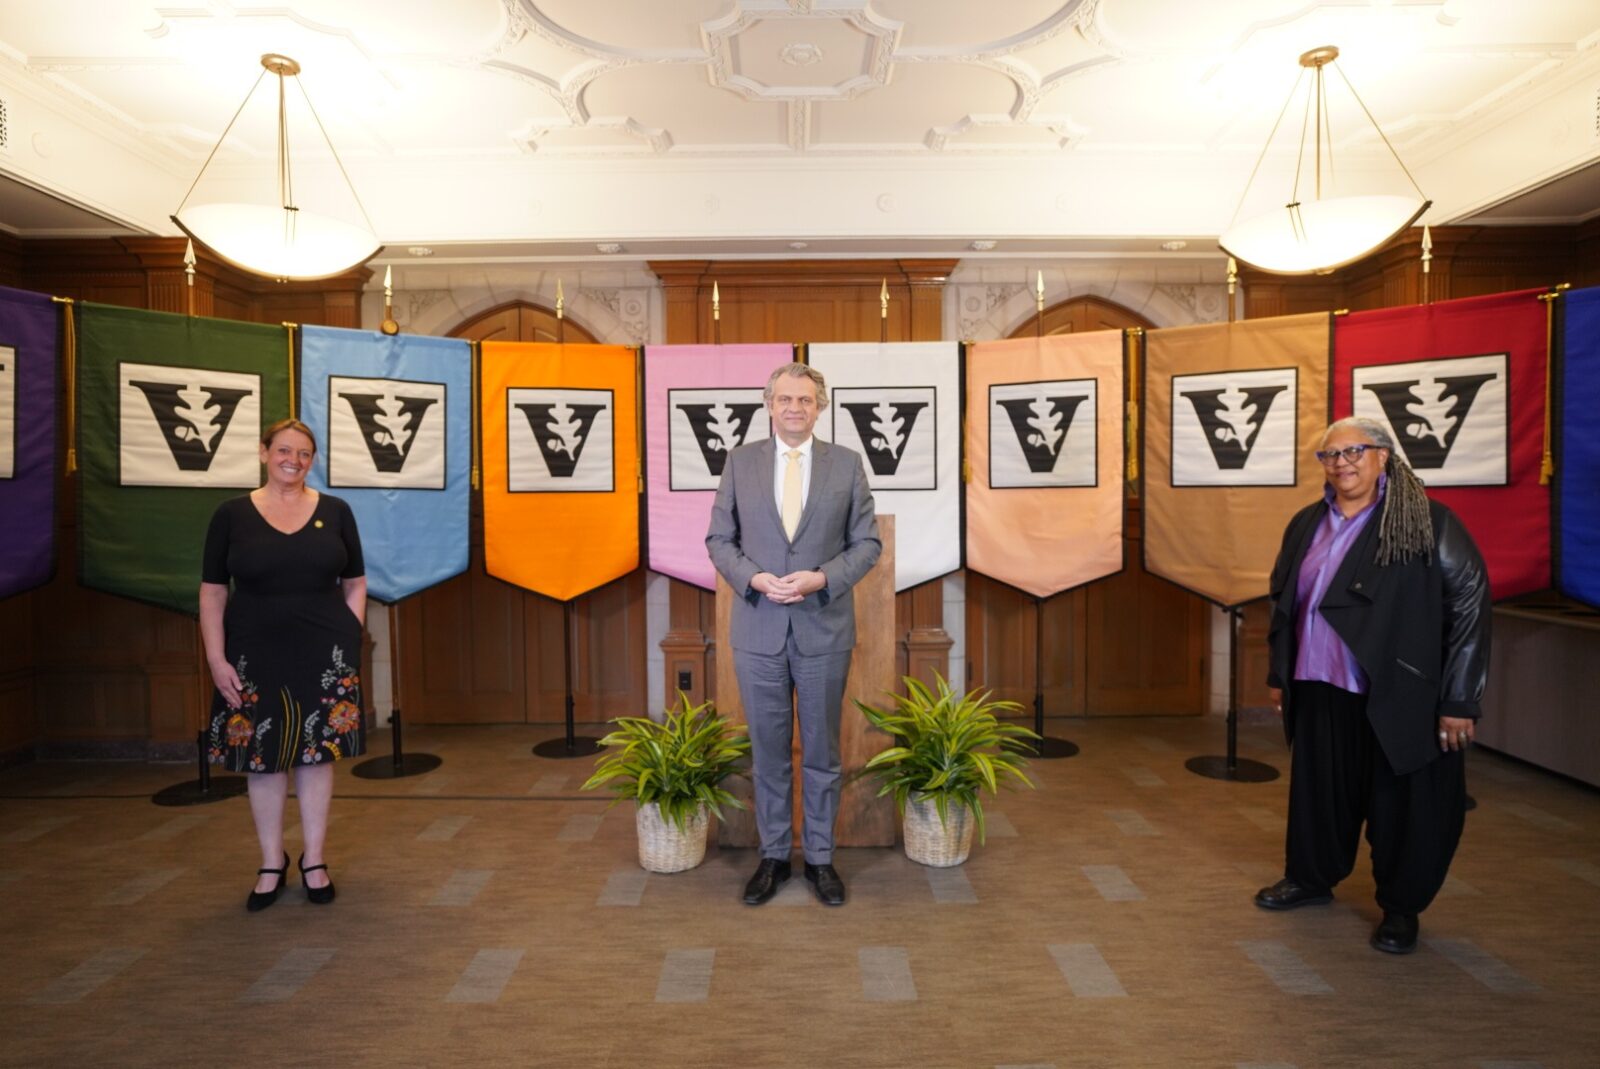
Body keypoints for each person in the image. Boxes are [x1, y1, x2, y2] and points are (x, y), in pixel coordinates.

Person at [1255, 415, 1490, 953]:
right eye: (1330, 455)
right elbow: (1286, 601)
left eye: (1355, 451)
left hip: (1396, 692)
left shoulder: (1426, 521)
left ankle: (1401, 909)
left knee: (1402, 805)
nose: (1342, 463)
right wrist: (1279, 672)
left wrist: (1460, 698)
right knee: (1320, 794)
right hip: (1319, 685)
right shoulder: (1307, 523)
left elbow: (1470, 604)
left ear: (1384, 456)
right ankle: (1311, 878)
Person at [706, 362, 881, 906]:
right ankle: (775, 857)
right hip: (758, 629)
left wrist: (823, 578)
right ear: (768, 404)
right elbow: (718, 539)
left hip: (823, 628)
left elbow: (867, 544)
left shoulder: (847, 465)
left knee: (824, 751)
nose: (794, 409)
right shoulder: (740, 463)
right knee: (769, 753)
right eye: (784, 399)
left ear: (820, 407)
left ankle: (822, 861)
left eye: (805, 400)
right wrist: (752, 578)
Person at [200, 418, 367, 911]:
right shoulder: (230, 514)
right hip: (252, 651)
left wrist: (349, 636)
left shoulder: (336, 511)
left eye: (304, 453)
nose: (293, 460)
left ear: (312, 461)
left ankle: (314, 860)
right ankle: (272, 861)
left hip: (324, 652)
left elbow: (355, 581)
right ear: (263, 452)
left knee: (317, 756)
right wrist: (215, 656)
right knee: (262, 757)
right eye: (284, 450)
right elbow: (212, 592)